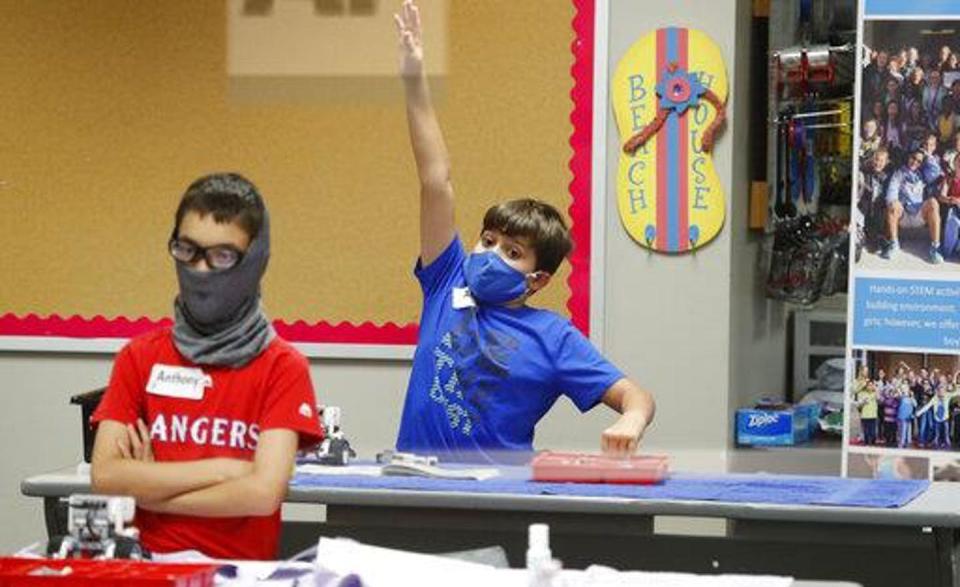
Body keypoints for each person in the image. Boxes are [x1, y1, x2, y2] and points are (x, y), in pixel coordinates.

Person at [391, 0, 654, 463]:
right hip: (416, 484)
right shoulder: (446, 280)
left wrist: (630, 420)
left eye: (512, 252)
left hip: (499, 497)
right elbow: (436, 180)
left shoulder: (553, 336)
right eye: (488, 241)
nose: (491, 255)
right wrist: (414, 81)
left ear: (538, 280)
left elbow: (636, 396)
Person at [90, 173, 324, 559]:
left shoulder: (282, 366)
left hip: (238, 575)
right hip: (147, 568)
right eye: (187, 249)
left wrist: (151, 493)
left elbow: (263, 493)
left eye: (222, 256)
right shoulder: (139, 357)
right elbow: (107, 477)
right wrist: (229, 470)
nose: (200, 269)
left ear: (255, 260)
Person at [882, 148, 943, 263]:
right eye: (913, 158)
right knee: (892, 203)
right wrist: (894, 203)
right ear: (908, 157)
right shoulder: (899, 173)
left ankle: (935, 248)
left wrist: (928, 155)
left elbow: (936, 171)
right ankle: (894, 244)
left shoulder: (923, 174)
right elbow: (892, 191)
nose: (915, 162)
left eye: (919, 161)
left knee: (933, 202)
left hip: (919, 215)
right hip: (903, 215)